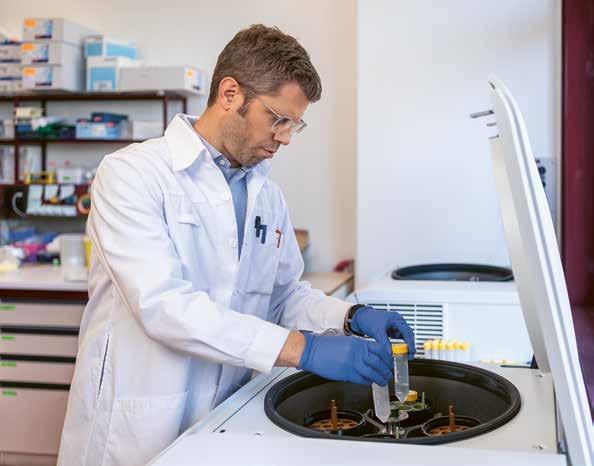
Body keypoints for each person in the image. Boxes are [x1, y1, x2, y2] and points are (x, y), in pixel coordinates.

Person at [57, 24, 415, 466]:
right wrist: (304, 349)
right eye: (278, 119)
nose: (285, 137)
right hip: (139, 427)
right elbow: (163, 305)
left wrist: (348, 317)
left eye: (295, 124)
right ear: (230, 94)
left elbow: (283, 295)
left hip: (229, 417)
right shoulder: (132, 174)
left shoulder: (266, 194)